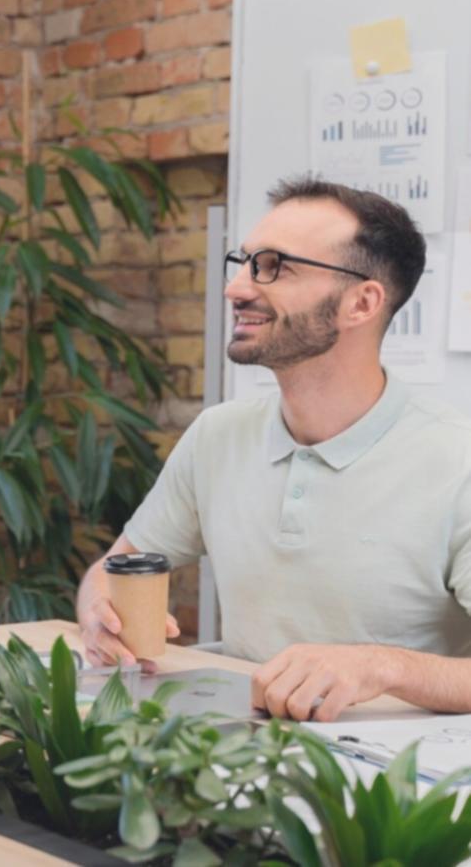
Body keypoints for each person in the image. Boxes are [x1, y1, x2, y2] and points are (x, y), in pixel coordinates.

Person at [75, 176, 471, 722]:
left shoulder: (458, 459)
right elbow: (115, 566)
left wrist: (381, 667)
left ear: (361, 302)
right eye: (243, 262)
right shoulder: (219, 434)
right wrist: (97, 612)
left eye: (274, 266)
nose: (237, 288)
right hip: (233, 747)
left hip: (390, 786)